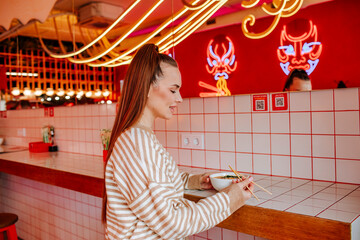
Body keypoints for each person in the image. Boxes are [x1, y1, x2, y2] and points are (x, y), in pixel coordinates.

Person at [103, 44, 254, 240]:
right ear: (147, 87)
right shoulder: (137, 144)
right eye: (173, 90)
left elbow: (156, 184)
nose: (180, 98)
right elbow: (173, 223)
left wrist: (195, 181)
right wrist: (230, 199)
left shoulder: (139, 138)